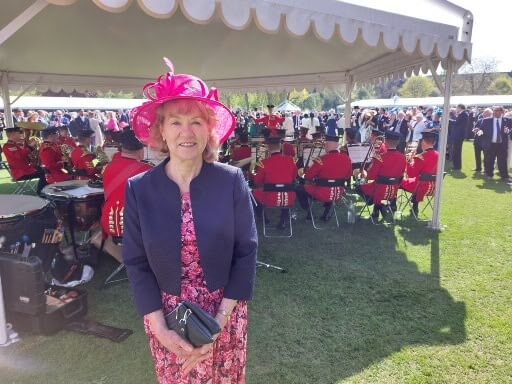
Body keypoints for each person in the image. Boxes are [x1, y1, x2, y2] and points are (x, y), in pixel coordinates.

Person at [124, 59, 257, 383]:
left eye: (197, 121)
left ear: (209, 130)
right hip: (168, 319)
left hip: (224, 311)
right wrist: (159, 326)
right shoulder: (140, 189)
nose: (187, 132)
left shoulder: (231, 181)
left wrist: (218, 323)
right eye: (176, 122)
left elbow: (246, 252)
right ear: (161, 132)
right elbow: (136, 261)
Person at [101, 129, 153, 240]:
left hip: (108, 223)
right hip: (133, 228)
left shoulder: (108, 167)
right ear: (141, 150)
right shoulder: (147, 170)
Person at [296, 135, 352, 220]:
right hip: (338, 193)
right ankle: (327, 211)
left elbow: (308, 176)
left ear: (326, 145)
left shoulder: (321, 159)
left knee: (300, 189)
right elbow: (348, 176)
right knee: (327, 187)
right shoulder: (347, 159)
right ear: (337, 146)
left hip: (322, 193)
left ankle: (310, 213)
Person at [357, 130, 407, 221]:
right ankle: (378, 209)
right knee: (377, 186)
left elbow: (370, 177)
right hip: (393, 191)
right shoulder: (403, 157)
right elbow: (401, 174)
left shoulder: (380, 157)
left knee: (358, 187)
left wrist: (365, 173)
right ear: (398, 142)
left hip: (378, 190)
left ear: (386, 141)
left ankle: (378, 207)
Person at [252, 135, 297, 229]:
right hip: (288, 198)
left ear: (268, 148)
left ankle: (263, 218)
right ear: (280, 146)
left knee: (253, 193)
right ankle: (283, 219)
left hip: (269, 198)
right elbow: (294, 178)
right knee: (287, 189)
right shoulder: (290, 160)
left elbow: (257, 182)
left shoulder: (264, 163)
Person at [400, 130, 439, 216]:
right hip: (434, 188)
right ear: (434, 142)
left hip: (419, 187)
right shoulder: (439, 155)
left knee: (398, 181)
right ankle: (415, 206)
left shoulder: (421, 156)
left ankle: (391, 205)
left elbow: (411, 174)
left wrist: (409, 161)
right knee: (419, 181)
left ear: (424, 142)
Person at [2, 126, 47, 194]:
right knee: (45, 172)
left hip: (26, 169)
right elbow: (19, 157)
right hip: (21, 172)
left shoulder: (15, 145)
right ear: (12, 135)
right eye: (18, 133)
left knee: (46, 169)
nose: (20, 135)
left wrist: (32, 155)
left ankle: (44, 190)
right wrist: (30, 147)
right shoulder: (8, 146)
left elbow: (24, 156)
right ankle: (40, 192)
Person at [475, 106, 511, 182]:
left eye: (498, 111)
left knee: (502, 160)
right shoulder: (486, 121)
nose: (495, 112)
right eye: (494, 110)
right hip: (490, 144)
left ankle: (504, 176)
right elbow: (481, 130)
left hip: (502, 145)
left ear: (502, 112)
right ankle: (489, 174)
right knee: (489, 160)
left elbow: (510, 130)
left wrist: (509, 131)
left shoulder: (508, 120)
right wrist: (478, 131)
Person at [450, 104, 469, 171]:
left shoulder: (464, 115)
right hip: (457, 135)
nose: (456, 109)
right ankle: (456, 165)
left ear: (460, 108)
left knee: (457, 151)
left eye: (457, 108)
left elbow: (459, 124)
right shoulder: (462, 114)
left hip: (459, 136)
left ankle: (457, 166)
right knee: (456, 151)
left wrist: (450, 120)